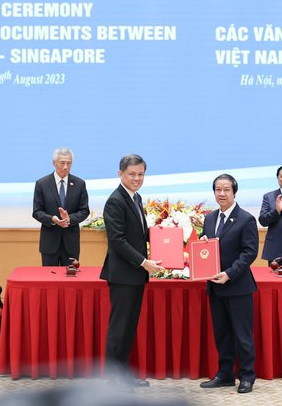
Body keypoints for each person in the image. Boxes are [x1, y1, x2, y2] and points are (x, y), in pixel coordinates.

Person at [99, 154, 164, 390]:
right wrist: (143, 262)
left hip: (135, 275)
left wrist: (166, 237)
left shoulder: (136, 198)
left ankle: (124, 374)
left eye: (140, 174)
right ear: (120, 174)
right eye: (132, 174)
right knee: (119, 328)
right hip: (123, 275)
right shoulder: (115, 201)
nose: (137, 178)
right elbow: (117, 241)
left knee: (128, 328)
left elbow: (139, 234)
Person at [199, 174, 258, 394]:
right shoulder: (210, 218)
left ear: (234, 192)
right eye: (218, 189)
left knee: (242, 335)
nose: (221, 193)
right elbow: (207, 249)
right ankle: (225, 375)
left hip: (238, 286)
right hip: (215, 286)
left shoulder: (246, 219)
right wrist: (203, 243)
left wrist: (229, 274)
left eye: (226, 189)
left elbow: (249, 252)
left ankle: (246, 376)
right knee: (222, 334)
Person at [32, 147, 90, 266]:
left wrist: (69, 219)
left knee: (70, 281)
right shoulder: (42, 184)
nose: (65, 167)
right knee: (49, 280)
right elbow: (37, 211)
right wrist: (52, 219)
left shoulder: (79, 184)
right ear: (54, 163)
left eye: (69, 163)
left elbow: (84, 210)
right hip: (49, 243)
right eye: (62, 163)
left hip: (71, 244)